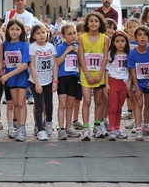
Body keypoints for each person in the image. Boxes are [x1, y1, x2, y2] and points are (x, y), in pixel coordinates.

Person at [78, 12, 109, 141]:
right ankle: (86, 128)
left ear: (100, 23)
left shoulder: (105, 38)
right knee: (86, 100)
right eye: (91, 21)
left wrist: (101, 73)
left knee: (98, 101)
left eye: (96, 21)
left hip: (99, 74)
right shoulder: (82, 38)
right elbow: (81, 56)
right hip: (86, 74)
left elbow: (106, 56)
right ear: (87, 23)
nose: (93, 23)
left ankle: (97, 125)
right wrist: (87, 74)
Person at [0, 18, 31, 141]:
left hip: (21, 78)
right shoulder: (5, 45)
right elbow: (2, 61)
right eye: (12, 29)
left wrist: (8, 75)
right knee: (15, 103)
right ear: (8, 30)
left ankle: (22, 128)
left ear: (22, 31)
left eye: (18, 29)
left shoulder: (24, 45)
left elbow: (24, 65)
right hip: (10, 79)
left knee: (21, 103)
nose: (15, 31)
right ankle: (17, 126)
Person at [127, 26, 149, 141]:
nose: (142, 37)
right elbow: (132, 71)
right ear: (135, 38)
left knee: (148, 104)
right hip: (138, 83)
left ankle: (146, 126)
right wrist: (136, 88)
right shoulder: (132, 54)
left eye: (145, 35)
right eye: (140, 35)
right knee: (139, 104)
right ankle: (138, 128)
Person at [28, 24, 58, 141]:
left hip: (48, 80)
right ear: (34, 36)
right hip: (36, 80)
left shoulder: (51, 46)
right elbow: (32, 65)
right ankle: (40, 129)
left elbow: (54, 65)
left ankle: (49, 122)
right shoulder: (32, 47)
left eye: (43, 32)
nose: (41, 35)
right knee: (39, 105)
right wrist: (37, 83)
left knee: (49, 104)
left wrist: (55, 80)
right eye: (38, 33)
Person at [55, 23, 81, 140]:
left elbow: (81, 64)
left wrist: (77, 52)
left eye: (74, 33)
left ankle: (68, 127)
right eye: (69, 34)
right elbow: (57, 63)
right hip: (63, 78)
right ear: (64, 36)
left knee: (70, 104)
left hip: (74, 78)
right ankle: (61, 128)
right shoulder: (60, 47)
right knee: (62, 104)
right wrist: (66, 52)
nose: (73, 36)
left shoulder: (78, 47)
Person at [105, 31, 130, 141]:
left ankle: (118, 128)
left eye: (122, 41)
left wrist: (129, 82)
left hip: (123, 83)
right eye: (117, 41)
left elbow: (130, 71)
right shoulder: (111, 54)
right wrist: (106, 84)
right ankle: (112, 129)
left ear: (126, 42)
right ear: (113, 43)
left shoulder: (129, 55)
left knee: (119, 108)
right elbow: (107, 70)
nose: (120, 44)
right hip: (113, 82)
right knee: (113, 108)